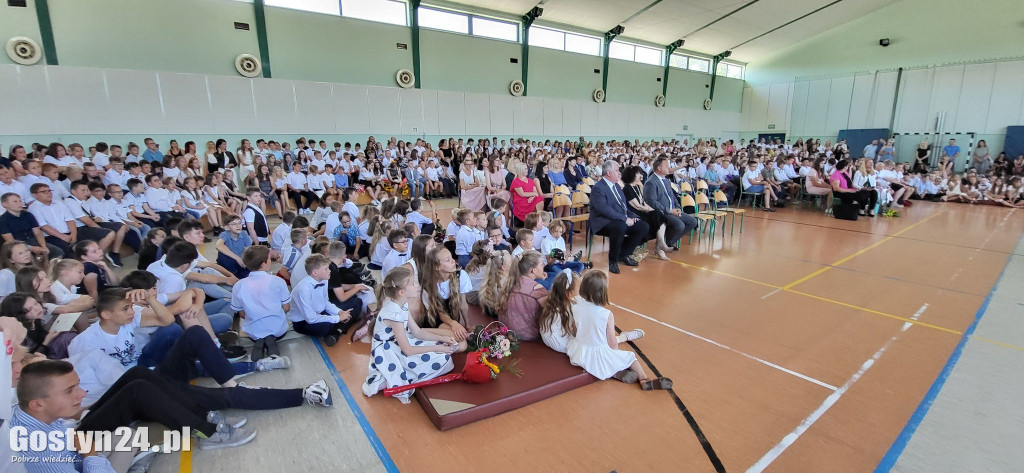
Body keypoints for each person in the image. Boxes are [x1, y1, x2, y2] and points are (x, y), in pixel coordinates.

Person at [362, 266, 463, 404]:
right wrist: (437, 348)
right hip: (389, 351)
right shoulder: (394, 313)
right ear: (402, 291)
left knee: (448, 350)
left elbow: (418, 332)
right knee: (445, 360)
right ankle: (386, 378)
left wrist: (442, 339)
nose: (417, 285)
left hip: (400, 343)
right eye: (413, 283)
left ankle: (399, 372)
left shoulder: (401, 303)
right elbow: (408, 350)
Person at [567, 271, 671, 390]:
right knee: (630, 357)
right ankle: (644, 379)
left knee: (602, 361)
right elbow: (612, 344)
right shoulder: (606, 314)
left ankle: (615, 372)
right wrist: (614, 354)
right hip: (596, 352)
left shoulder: (575, 308)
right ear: (602, 292)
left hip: (579, 352)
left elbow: (574, 331)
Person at [231, 245, 291, 361]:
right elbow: (286, 307)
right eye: (269, 259)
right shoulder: (278, 281)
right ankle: (270, 341)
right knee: (280, 323)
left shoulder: (238, 286)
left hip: (253, 331)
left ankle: (259, 341)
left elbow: (242, 314)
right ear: (264, 264)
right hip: (278, 329)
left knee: (254, 328)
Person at [589, 161, 649, 274]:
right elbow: (604, 209)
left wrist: (632, 216)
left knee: (642, 226)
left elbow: (623, 206)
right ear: (609, 173)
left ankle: (624, 254)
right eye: (617, 171)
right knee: (620, 226)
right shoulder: (598, 188)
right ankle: (613, 261)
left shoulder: (616, 186)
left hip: (616, 219)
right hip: (602, 222)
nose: (619, 173)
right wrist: (625, 219)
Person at [29, 183, 115, 260]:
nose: (48, 193)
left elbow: (70, 219)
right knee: (67, 249)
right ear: (35, 195)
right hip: (52, 236)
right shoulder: (34, 207)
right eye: (44, 192)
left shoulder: (59, 203)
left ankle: (92, 260)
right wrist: (62, 236)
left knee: (103, 235)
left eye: (49, 191)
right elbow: (44, 226)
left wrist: (73, 234)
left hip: (70, 232)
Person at [288, 254, 352, 347]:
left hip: (319, 313)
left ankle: (336, 332)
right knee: (327, 326)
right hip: (303, 321)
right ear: (315, 273)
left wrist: (339, 312)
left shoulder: (324, 280)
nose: (330, 271)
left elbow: (325, 302)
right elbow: (311, 318)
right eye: (326, 269)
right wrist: (338, 318)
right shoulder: (304, 288)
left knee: (355, 304)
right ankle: (338, 330)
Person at [499, 250, 548, 341]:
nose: (543, 266)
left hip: (508, 332)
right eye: (541, 265)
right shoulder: (536, 288)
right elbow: (550, 311)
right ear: (533, 270)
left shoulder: (510, 283)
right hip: (530, 335)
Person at [0, 192, 58, 258]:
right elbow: (10, 241)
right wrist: (31, 248)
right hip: (18, 245)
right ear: (5, 204)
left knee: (57, 252)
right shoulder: (3, 220)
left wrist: (44, 246)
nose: (19, 203)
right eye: (15, 201)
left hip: (34, 241)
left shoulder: (28, 215)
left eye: (20, 201)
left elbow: (38, 233)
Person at [538, 270, 579, 353]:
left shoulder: (553, 299)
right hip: (557, 341)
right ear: (569, 293)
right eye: (578, 289)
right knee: (580, 348)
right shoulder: (568, 307)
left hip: (547, 335)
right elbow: (574, 328)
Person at [216, 215, 253, 279]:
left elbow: (248, 249)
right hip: (228, 263)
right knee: (223, 255)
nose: (238, 226)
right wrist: (237, 258)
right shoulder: (225, 234)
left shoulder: (244, 233)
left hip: (240, 261)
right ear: (227, 227)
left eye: (239, 223)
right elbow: (218, 246)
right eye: (234, 224)